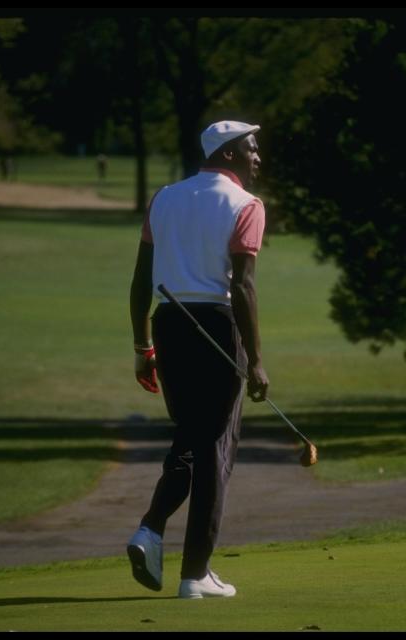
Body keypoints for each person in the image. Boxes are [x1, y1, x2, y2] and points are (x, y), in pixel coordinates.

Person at [127, 120, 269, 599]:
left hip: (168, 324)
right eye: (251, 149)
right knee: (216, 450)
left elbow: (140, 281)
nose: (258, 157)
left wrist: (143, 348)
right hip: (217, 327)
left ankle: (150, 530)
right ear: (228, 154)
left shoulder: (164, 197)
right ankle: (195, 573)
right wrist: (256, 361)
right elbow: (244, 287)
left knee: (190, 436)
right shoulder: (246, 205)